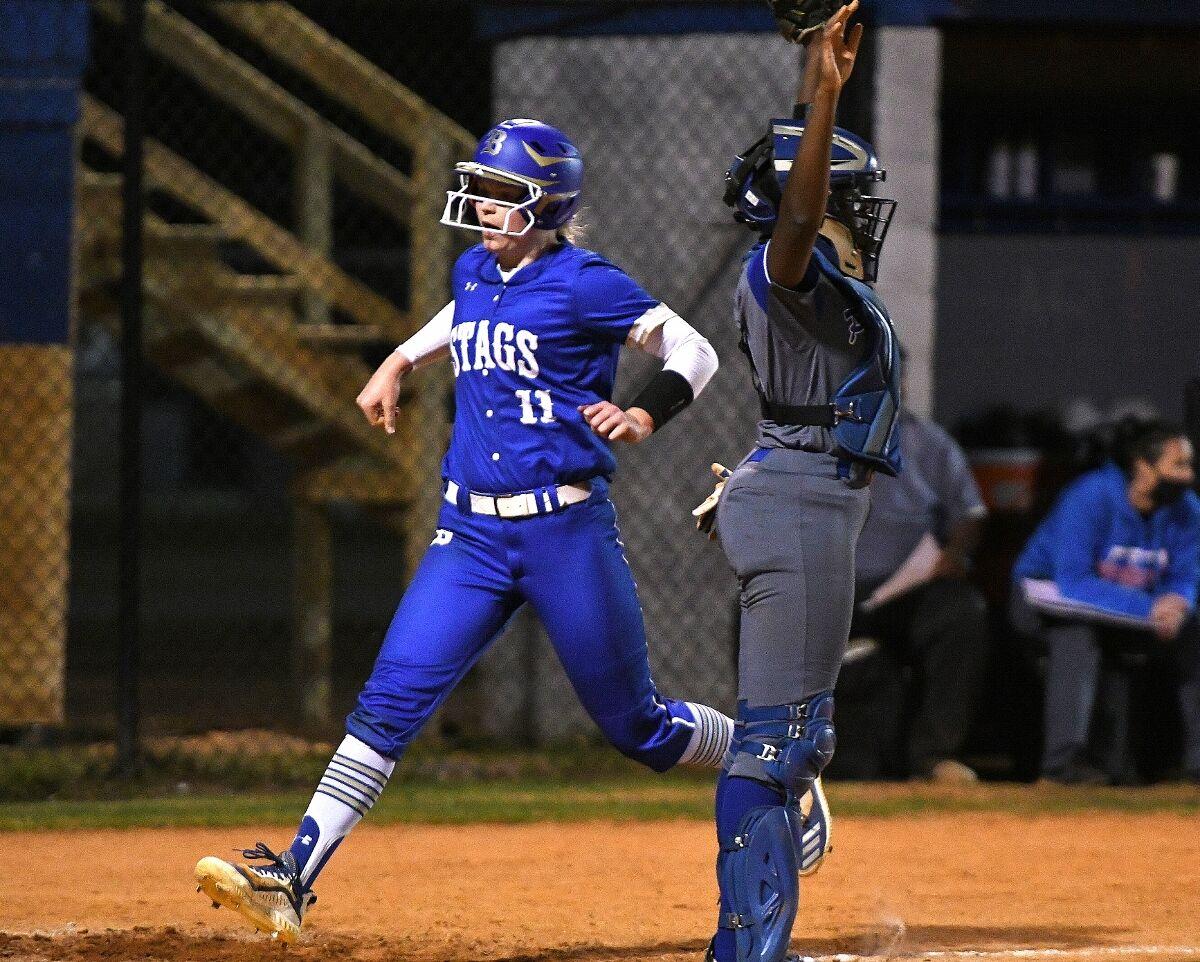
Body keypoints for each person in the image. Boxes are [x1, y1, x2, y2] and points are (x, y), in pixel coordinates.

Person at [194, 117, 736, 942]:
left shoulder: (585, 281)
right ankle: (291, 879)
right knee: (387, 702)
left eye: (502, 192)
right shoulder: (476, 269)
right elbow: (464, 315)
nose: (483, 204)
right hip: (472, 536)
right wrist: (399, 360)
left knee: (640, 729)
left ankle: (763, 752)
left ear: (548, 204)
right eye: (479, 187)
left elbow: (694, 350)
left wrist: (643, 412)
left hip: (565, 529)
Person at [700, 5, 902, 960]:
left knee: (799, 739)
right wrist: (822, 98)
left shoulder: (814, 282)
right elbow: (798, 209)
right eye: (846, 199)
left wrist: (813, 82)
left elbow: (798, 198)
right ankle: (749, 951)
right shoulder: (789, 265)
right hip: (799, 509)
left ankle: (751, 940)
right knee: (774, 747)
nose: (860, 213)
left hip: (802, 498)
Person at [1013, 417, 1200, 785]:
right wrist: (1151, 609)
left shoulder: (1187, 509)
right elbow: (1073, 582)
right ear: (1143, 468)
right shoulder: (1091, 496)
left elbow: (1188, 572)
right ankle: (1062, 766)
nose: (1188, 475)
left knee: (1194, 633)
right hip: (1045, 600)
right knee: (1076, 637)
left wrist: (1177, 602)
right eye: (1178, 465)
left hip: (1124, 609)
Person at [849, 405, 989, 783]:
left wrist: (954, 553)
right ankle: (773, 749)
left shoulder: (928, 440)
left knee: (964, 613)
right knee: (757, 606)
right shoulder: (814, 431)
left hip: (911, 585)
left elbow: (970, 514)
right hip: (832, 582)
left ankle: (934, 756)